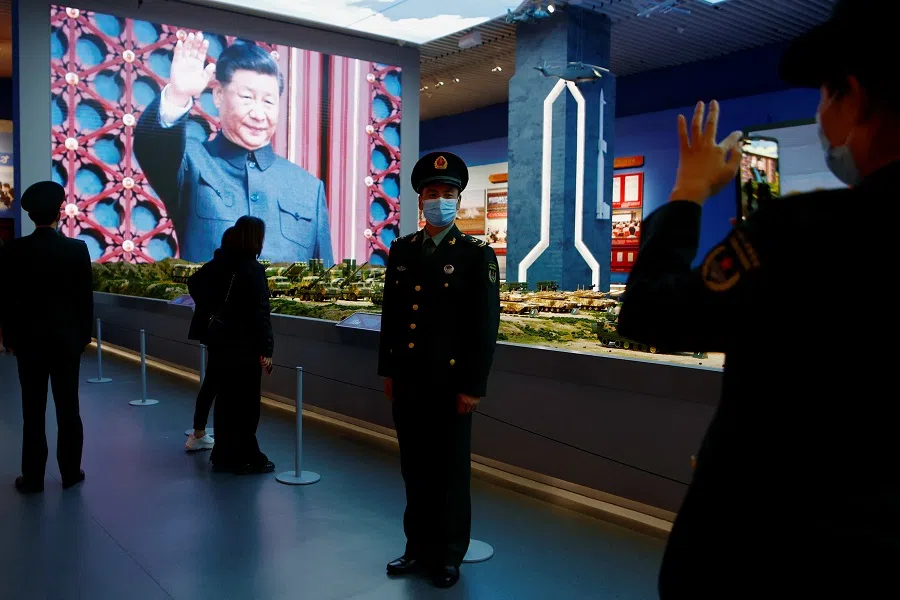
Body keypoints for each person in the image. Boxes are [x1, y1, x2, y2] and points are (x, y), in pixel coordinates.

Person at [617, 1, 900, 596]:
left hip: (771, 550)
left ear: (853, 96)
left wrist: (689, 192)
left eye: (826, 95)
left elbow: (651, 312)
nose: (822, 115)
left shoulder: (803, 233)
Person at [377, 152, 501, 589]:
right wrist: (388, 370)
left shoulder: (475, 255)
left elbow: (484, 328)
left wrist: (473, 385)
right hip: (409, 381)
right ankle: (417, 548)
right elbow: (392, 316)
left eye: (448, 194)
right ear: (420, 200)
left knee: (449, 472)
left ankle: (449, 554)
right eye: (433, 194)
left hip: (451, 386)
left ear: (458, 200)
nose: (440, 200)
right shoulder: (403, 250)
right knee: (414, 468)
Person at [134, 34, 333, 265]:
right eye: (247, 97)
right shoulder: (191, 162)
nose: (259, 114)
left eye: (268, 102)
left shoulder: (308, 188)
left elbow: (325, 277)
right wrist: (178, 96)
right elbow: (153, 146)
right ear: (219, 95)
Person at [0, 181, 93, 493]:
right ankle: (70, 472)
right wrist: (83, 338)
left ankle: (33, 477)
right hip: (66, 343)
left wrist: (10, 338)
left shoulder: (12, 251)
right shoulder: (77, 250)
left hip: (29, 344)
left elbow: (7, 300)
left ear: (30, 216)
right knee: (69, 410)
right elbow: (84, 300)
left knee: (33, 411)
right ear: (59, 214)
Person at [188, 215, 274, 474]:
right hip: (245, 348)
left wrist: (213, 310)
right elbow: (261, 315)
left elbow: (193, 283)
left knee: (225, 403)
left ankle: (223, 455)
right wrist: (267, 350)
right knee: (247, 407)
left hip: (220, 342)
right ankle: (246, 457)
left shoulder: (221, 263)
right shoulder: (253, 269)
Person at [183, 226, 237, 452]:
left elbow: (193, 283)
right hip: (226, 334)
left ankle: (199, 431)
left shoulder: (213, 265)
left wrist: (207, 308)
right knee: (218, 383)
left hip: (213, 332)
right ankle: (200, 433)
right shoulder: (232, 268)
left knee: (212, 382)